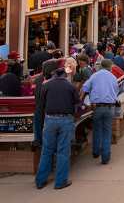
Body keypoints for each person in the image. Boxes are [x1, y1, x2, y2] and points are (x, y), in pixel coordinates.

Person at [35, 61, 80, 190]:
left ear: (54, 74)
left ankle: (40, 181)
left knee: (46, 151)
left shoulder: (46, 86)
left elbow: (41, 104)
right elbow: (77, 103)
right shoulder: (70, 87)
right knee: (63, 151)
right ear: (65, 75)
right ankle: (60, 182)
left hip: (49, 120)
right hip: (65, 120)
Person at [81, 58, 119, 165]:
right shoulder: (113, 77)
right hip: (109, 107)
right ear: (110, 67)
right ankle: (105, 157)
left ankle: (96, 151)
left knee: (97, 129)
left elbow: (85, 88)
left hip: (97, 107)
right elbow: (116, 91)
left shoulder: (94, 75)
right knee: (107, 131)